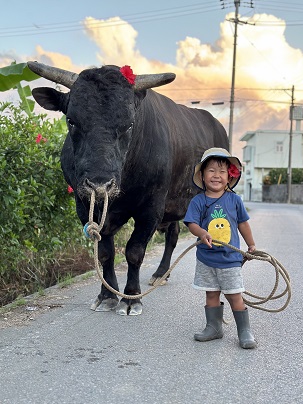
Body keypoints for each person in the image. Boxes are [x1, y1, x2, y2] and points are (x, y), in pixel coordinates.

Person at [184, 147, 257, 349]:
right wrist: (201, 233)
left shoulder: (234, 200)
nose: (216, 175)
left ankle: (245, 331)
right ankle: (214, 327)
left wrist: (251, 245)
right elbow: (192, 224)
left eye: (222, 171)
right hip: (207, 259)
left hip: (230, 259)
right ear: (202, 175)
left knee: (234, 294)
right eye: (211, 170)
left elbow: (243, 223)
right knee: (211, 294)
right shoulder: (198, 201)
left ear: (230, 176)